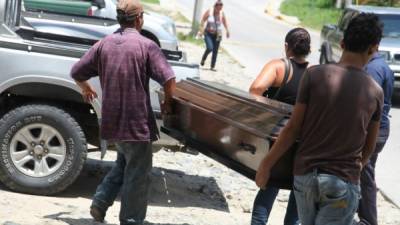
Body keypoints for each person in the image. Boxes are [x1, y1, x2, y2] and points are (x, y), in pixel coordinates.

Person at [255, 13, 384, 225]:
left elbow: (292, 128)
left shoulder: (314, 75)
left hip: (305, 178)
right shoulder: (375, 91)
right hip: (341, 183)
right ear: (374, 49)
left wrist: (266, 165)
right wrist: (354, 170)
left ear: (341, 43)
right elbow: (369, 147)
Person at [70, 0, 176, 224]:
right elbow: (169, 78)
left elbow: (77, 71)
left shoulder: (104, 44)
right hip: (137, 126)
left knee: (124, 164)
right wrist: (168, 103)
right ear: (139, 19)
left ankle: (100, 203)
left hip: (112, 123)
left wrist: (86, 88)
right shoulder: (146, 46)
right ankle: (130, 220)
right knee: (137, 176)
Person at [249, 27, 311, 225]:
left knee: (268, 186)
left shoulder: (279, 67)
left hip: (279, 137)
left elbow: (256, 89)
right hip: (305, 140)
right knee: (297, 194)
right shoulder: (314, 72)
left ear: (287, 46)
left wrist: (267, 114)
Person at [358, 52, 394, 224]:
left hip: (373, 129)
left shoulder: (373, 68)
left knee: (364, 173)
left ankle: (368, 220)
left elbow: (369, 101)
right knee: (364, 172)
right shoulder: (381, 65)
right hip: (378, 128)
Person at [198, 0, 230, 71]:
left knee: (215, 51)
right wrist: (201, 30)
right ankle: (203, 58)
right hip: (208, 33)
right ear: (215, 6)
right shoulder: (209, 12)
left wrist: (227, 30)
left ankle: (212, 66)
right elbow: (203, 20)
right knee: (210, 48)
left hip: (218, 34)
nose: (219, 9)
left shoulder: (222, 13)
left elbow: (225, 22)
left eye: (221, 7)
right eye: (218, 7)